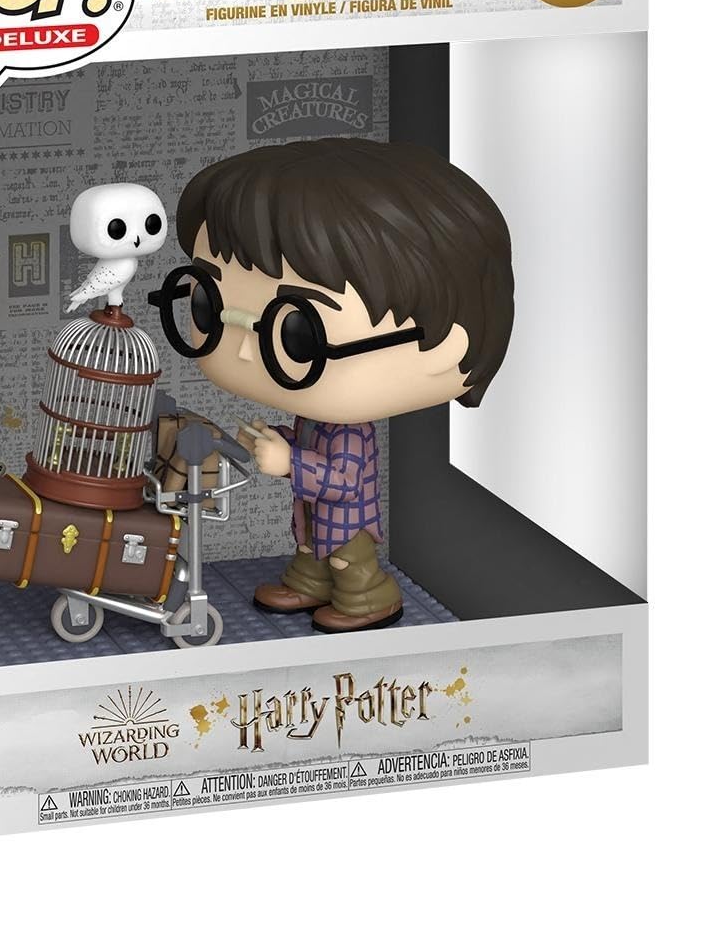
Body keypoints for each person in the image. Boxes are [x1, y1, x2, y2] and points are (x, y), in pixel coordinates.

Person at [150, 137, 514, 633]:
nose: (242, 351)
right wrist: (279, 440)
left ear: (445, 348)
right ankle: (309, 582)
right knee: (310, 547)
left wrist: (289, 461)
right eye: (206, 306)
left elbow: (343, 481)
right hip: (314, 515)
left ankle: (368, 597)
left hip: (348, 524)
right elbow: (312, 456)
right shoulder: (316, 415)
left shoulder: (351, 432)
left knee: (346, 557)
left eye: (297, 334)